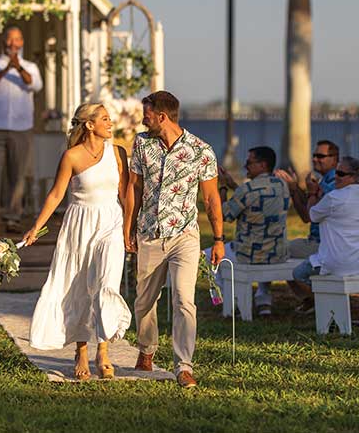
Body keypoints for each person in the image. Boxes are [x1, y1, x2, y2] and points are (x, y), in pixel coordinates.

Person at [23, 103, 132, 380]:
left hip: (111, 222)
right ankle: (81, 350)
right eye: (105, 119)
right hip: (80, 224)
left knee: (107, 283)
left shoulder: (118, 153)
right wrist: (36, 227)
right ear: (90, 125)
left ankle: (103, 350)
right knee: (80, 286)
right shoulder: (72, 156)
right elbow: (56, 194)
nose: (111, 123)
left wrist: (130, 229)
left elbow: (125, 194)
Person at [125, 91, 223, 389]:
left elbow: (210, 198)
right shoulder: (142, 144)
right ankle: (147, 348)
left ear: (161, 117)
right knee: (144, 300)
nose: (143, 119)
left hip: (185, 236)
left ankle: (183, 365)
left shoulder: (201, 151)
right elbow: (134, 189)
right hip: (150, 234)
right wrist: (128, 228)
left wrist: (218, 239)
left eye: (147, 114)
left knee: (184, 300)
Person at [0, 26, 43, 233]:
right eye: (10, 39)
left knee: (18, 176)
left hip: (21, 128)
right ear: (3, 42)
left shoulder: (30, 67)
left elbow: (35, 85)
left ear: (22, 42)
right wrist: (7, 68)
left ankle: (13, 217)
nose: (13, 43)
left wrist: (19, 68)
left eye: (17, 39)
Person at [289, 156, 359, 313]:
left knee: (298, 274)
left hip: (337, 262)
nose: (336, 176)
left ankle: (322, 303)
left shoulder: (334, 197)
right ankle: (325, 301)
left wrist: (312, 193)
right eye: (336, 172)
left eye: (341, 174)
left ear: (353, 177)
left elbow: (311, 216)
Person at [215, 146, 291, 316]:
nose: (245, 166)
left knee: (208, 258)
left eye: (249, 162)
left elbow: (224, 215)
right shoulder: (282, 186)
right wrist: (233, 184)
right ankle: (264, 301)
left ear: (262, 165)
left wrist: (222, 187)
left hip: (248, 255)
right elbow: (254, 198)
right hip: (277, 253)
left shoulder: (247, 190)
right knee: (265, 241)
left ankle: (229, 299)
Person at [275, 140, 340, 259]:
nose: (315, 159)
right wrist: (295, 188)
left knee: (275, 250)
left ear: (334, 159)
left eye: (320, 156)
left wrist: (306, 191)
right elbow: (308, 206)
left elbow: (307, 216)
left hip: (323, 245)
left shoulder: (333, 184)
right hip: (322, 243)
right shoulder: (326, 180)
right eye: (314, 155)